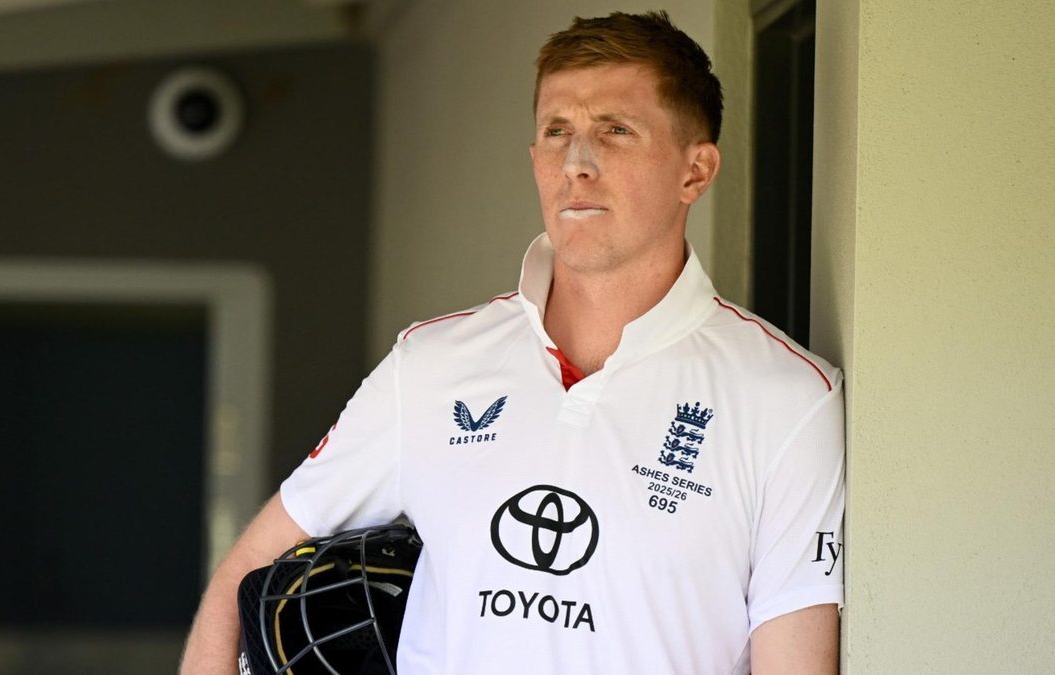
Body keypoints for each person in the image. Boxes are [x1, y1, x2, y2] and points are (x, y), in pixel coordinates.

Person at [181, 10, 844, 674]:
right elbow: (243, 575)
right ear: (534, 158)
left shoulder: (787, 398)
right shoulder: (431, 365)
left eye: (615, 130)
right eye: (557, 132)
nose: (577, 164)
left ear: (695, 173)